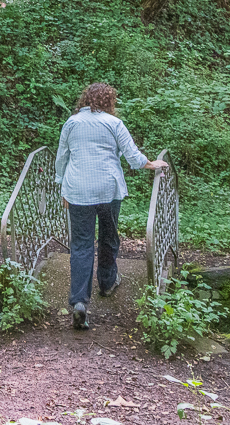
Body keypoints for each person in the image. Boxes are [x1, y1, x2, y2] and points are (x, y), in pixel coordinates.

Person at [54, 82, 167, 330]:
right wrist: (151, 164)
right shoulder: (113, 123)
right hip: (108, 189)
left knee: (81, 244)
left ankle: (79, 303)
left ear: (85, 99)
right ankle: (107, 283)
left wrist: (62, 186)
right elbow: (132, 155)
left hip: (78, 191)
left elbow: (62, 157)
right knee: (108, 238)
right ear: (109, 102)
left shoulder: (71, 123)